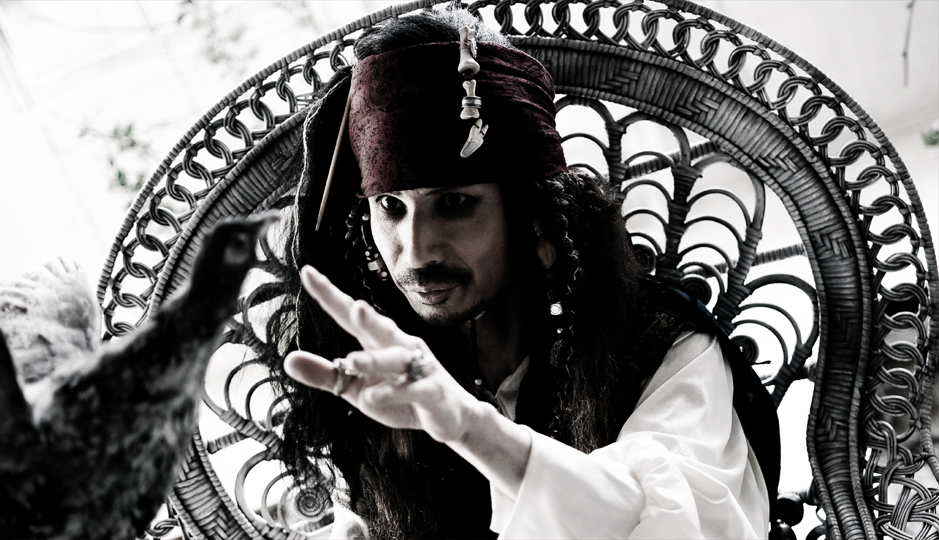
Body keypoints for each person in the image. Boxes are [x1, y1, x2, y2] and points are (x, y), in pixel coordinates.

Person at [267, 7, 779, 539]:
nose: (415, 253)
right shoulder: (377, 375)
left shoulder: (663, 349)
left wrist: (470, 427)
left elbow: (682, 522)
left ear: (530, 213)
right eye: (391, 207)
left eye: (454, 203)